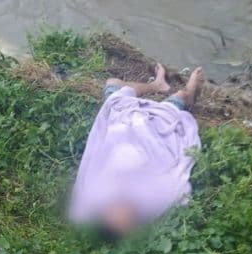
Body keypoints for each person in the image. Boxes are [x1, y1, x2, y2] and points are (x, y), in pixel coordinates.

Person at [68, 63, 205, 240]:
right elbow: (177, 186)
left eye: (118, 214)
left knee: (113, 84)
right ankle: (189, 94)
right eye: (129, 218)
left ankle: (156, 85)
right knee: (180, 97)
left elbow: (98, 155)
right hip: (155, 132)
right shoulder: (151, 201)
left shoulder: (96, 196)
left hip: (123, 126)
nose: (126, 211)